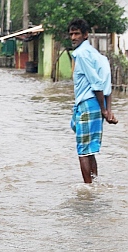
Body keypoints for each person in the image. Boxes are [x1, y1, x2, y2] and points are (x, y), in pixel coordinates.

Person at [68, 18, 118, 184]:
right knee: (89, 149)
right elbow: (107, 83)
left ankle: (88, 189)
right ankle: (94, 183)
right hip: (93, 105)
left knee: (82, 150)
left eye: (76, 34)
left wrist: (105, 110)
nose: (73, 37)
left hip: (88, 104)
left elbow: (97, 83)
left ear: (85, 35)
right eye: (71, 34)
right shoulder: (97, 55)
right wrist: (106, 109)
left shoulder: (82, 54)